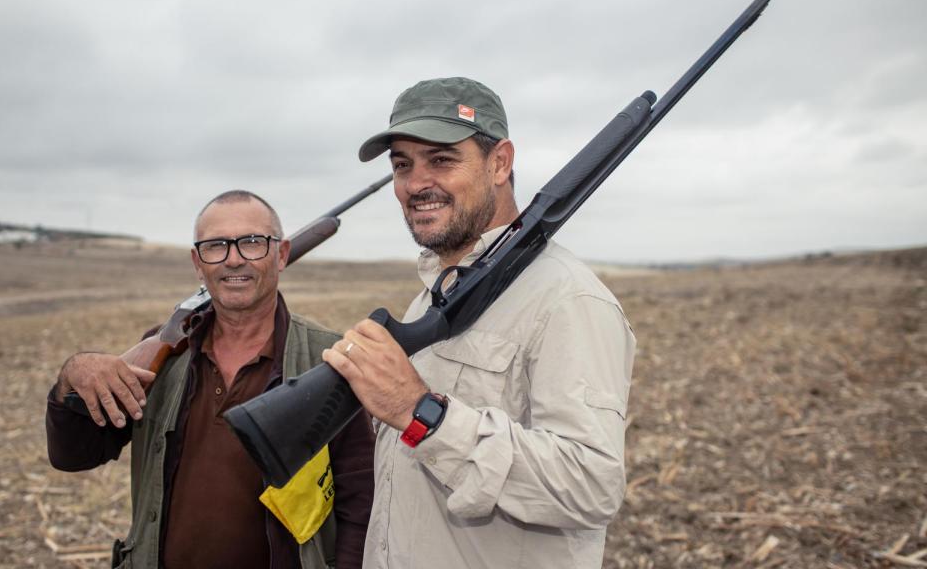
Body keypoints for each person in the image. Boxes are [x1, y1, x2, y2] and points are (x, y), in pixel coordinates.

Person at [322, 77, 636, 568]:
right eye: (403, 165)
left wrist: (422, 413)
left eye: (441, 160)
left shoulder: (567, 299)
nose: (416, 183)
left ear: (500, 163)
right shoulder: (430, 296)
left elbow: (590, 486)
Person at [46, 191, 375, 569]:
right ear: (197, 263)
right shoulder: (164, 356)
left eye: (253, 242)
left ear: (281, 254)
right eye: (216, 245)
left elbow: (361, 500)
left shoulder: (328, 357)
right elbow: (73, 455)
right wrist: (72, 375)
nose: (234, 258)